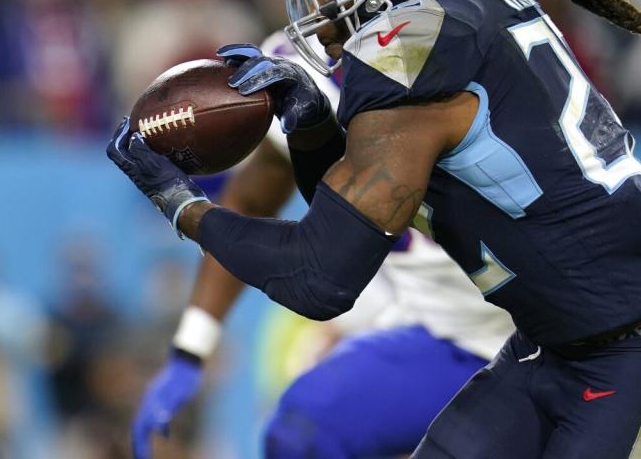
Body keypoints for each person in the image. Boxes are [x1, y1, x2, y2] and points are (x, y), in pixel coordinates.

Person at [110, 0, 641, 458]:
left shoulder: (410, 48)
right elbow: (349, 211)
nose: (317, 0)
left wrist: (180, 204)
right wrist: (308, 125)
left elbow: (320, 277)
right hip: (553, 348)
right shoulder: (470, 18)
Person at [130, 31, 515, 459]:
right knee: (301, 429)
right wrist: (191, 345)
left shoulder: (466, 47)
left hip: (534, 327)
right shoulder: (303, 67)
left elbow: (316, 274)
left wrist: (183, 207)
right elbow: (252, 201)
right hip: (446, 329)